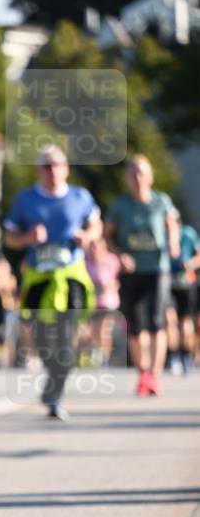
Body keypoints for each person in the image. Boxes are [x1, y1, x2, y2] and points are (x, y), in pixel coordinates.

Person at [4, 145, 101, 420]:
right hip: (38, 277)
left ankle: (55, 392)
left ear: (66, 168)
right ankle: (53, 379)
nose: (52, 171)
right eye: (46, 166)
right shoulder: (26, 199)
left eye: (57, 165)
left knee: (67, 333)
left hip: (70, 276)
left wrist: (88, 236)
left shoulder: (80, 197)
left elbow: (97, 225)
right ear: (39, 170)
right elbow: (9, 237)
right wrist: (26, 238)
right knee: (42, 337)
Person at [104, 154, 180, 396]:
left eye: (142, 173)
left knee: (157, 320)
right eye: (133, 173)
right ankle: (143, 373)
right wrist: (119, 254)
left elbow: (172, 224)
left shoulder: (161, 201)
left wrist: (174, 242)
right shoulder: (120, 206)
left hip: (158, 268)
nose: (138, 178)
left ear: (150, 177)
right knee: (135, 325)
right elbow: (107, 235)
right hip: (131, 270)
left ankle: (154, 375)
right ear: (128, 178)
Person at [167, 221, 199, 375]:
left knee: (186, 322)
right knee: (170, 320)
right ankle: (174, 357)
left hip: (186, 284)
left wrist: (190, 263)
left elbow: (198, 255)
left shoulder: (188, 233)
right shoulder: (161, 232)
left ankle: (186, 356)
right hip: (166, 284)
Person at [84, 236, 122, 366]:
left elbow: (117, 282)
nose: (94, 249)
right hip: (91, 303)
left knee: (103, 330)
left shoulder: (111, 260)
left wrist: (107, 286)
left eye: (97, 246)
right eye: (92, 246)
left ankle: (105, 358)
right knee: (90, 332)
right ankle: (95, 355)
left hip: (108, 302)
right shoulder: (85, 261)